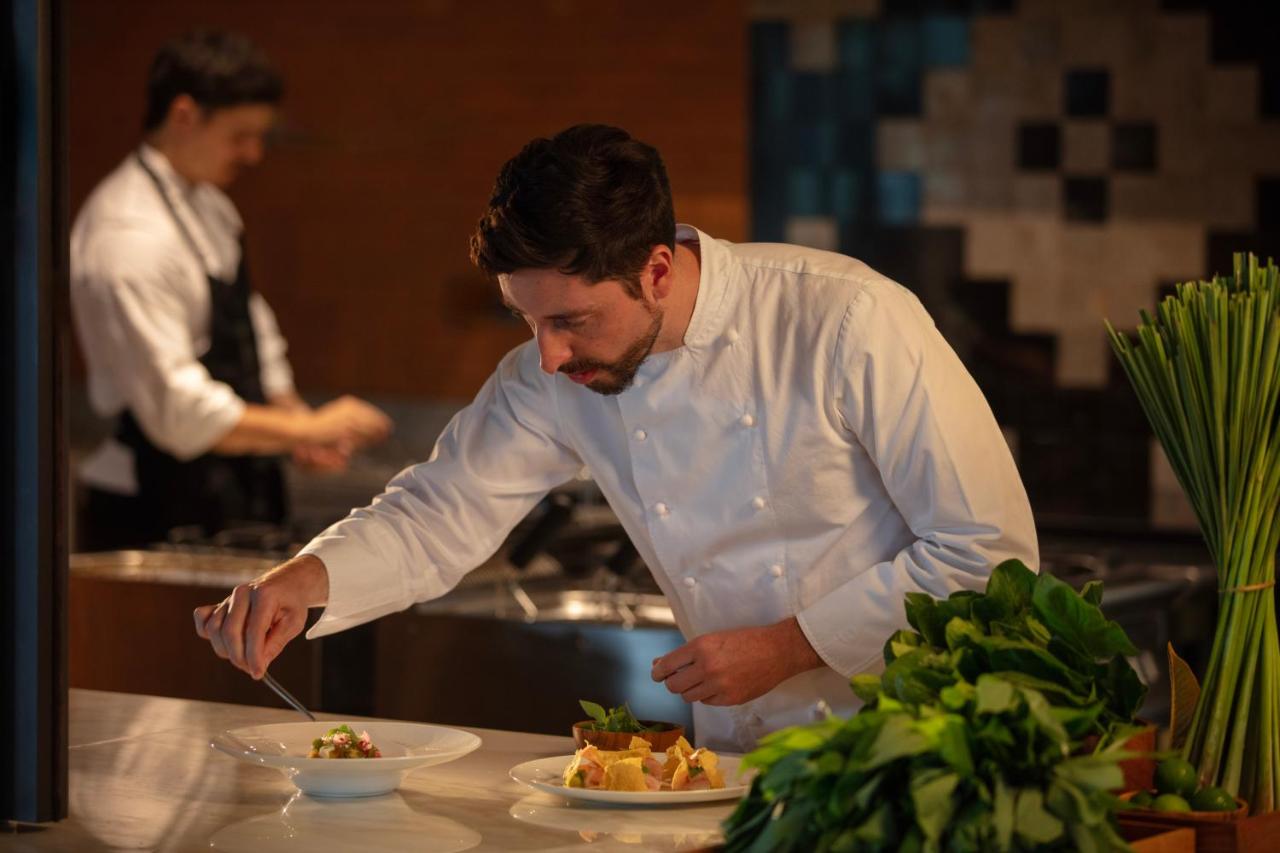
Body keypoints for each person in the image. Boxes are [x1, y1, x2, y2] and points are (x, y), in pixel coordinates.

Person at [193, 124, 1037, 750]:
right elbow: (438, 512)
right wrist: (304, 578)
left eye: (571, 320)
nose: (548, 356)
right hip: (735, 760)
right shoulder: (552, 373)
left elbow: (988, 553)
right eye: (525, 319)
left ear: (657, 271)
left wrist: (792, 646)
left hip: (910, 750)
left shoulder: (847, 317)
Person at [71, 30, 391, 551]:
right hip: (152, 505)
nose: (254, 154)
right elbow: (176, 409)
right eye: (240, 135)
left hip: (234, 490)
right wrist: (308, 430)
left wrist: (292, 416)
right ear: (184, 115)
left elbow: (250, 325)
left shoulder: (211, 207)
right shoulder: (127, 232)